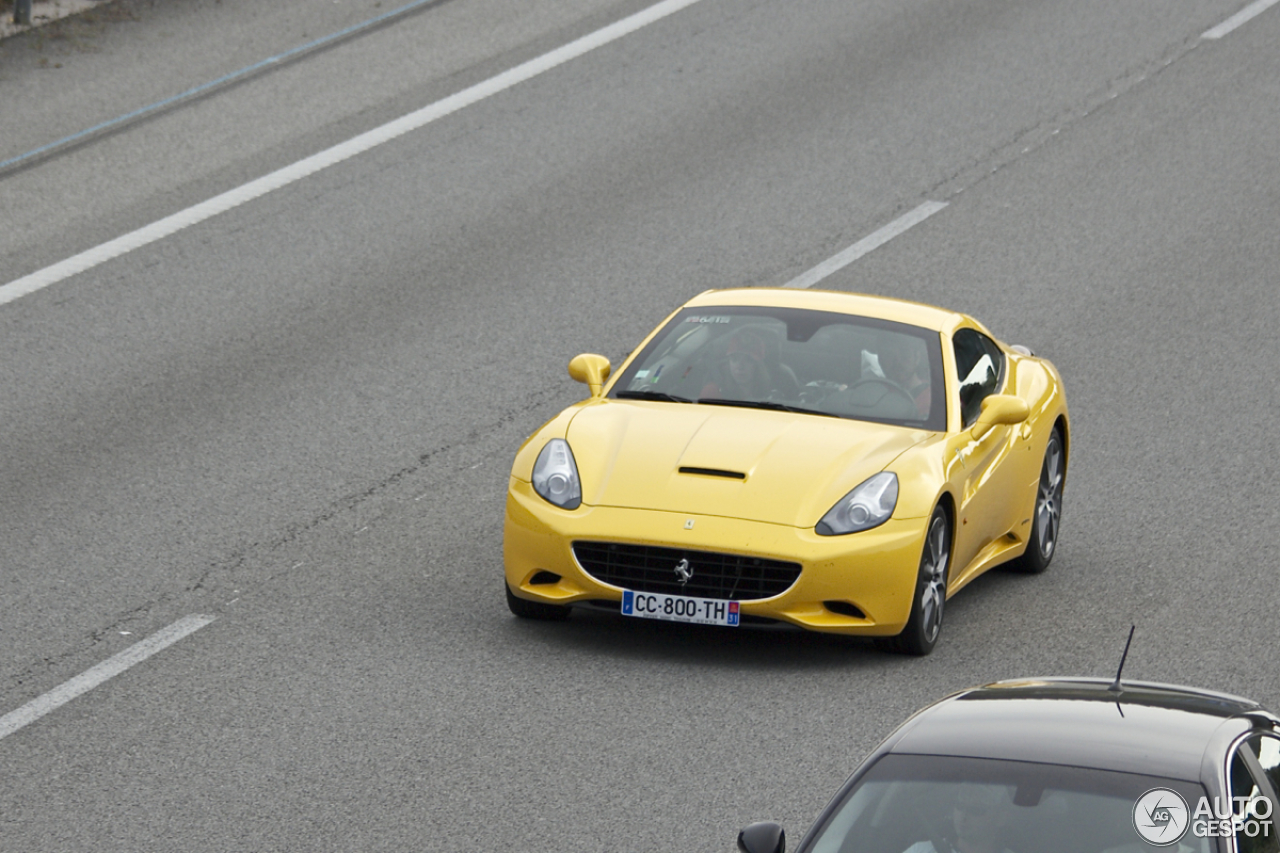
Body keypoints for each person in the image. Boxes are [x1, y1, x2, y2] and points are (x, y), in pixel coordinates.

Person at [902, 784, 1015, 853]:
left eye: (975, 810)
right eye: (960, 806)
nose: (963, 815)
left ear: (1001, 818)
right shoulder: (920, 850)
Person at [700, 327, 781, 400]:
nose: (740, 366)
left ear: (758, 366)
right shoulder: (712, 392)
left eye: (748, 360)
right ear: (728, 363)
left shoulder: (773, 398)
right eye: (734, 359)